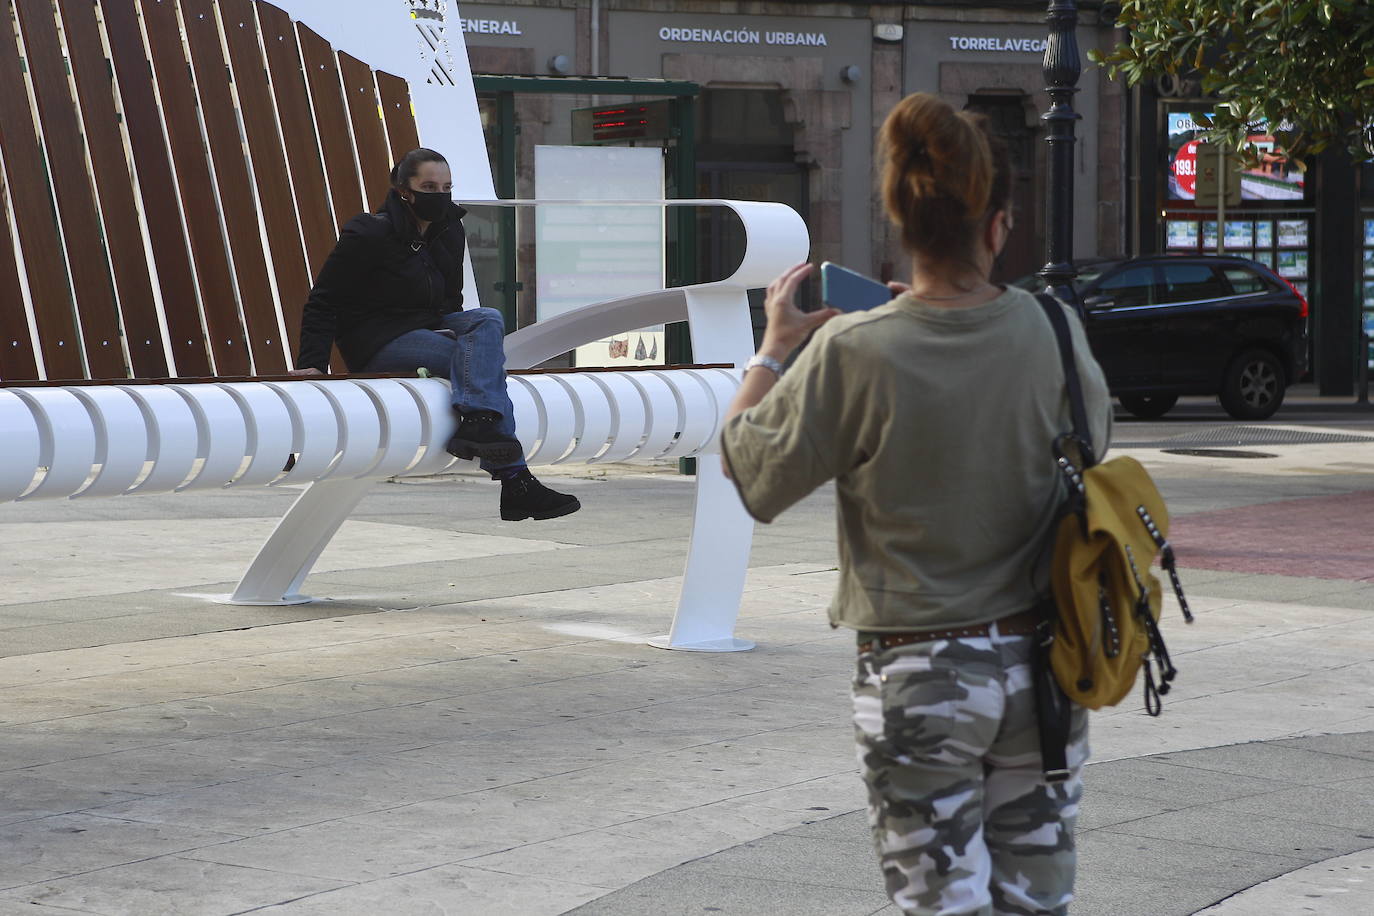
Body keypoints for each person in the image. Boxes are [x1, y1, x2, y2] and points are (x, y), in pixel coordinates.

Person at [718, 93, 1112, 915]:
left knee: (940, 904)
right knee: (1038, 902)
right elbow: (1094, 447)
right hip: (1044, 663)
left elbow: (749, 473)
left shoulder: (855, 349)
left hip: (920, 669)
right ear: (998, 224)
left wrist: (773, 350)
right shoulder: (1053, 327)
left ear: (900, 221)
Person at [291, 148, 579, 521]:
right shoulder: (369, 232)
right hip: (378, 341)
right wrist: (312, 365)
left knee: (487, 319)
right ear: (403, 190)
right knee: (483, 369)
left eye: (446, 187)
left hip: (429, 328)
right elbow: (323, 301)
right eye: (428, 186)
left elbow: (450, 302)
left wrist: (453, 334)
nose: (439, 195)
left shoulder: (450, 229)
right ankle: (516, 481)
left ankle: (482, 427)